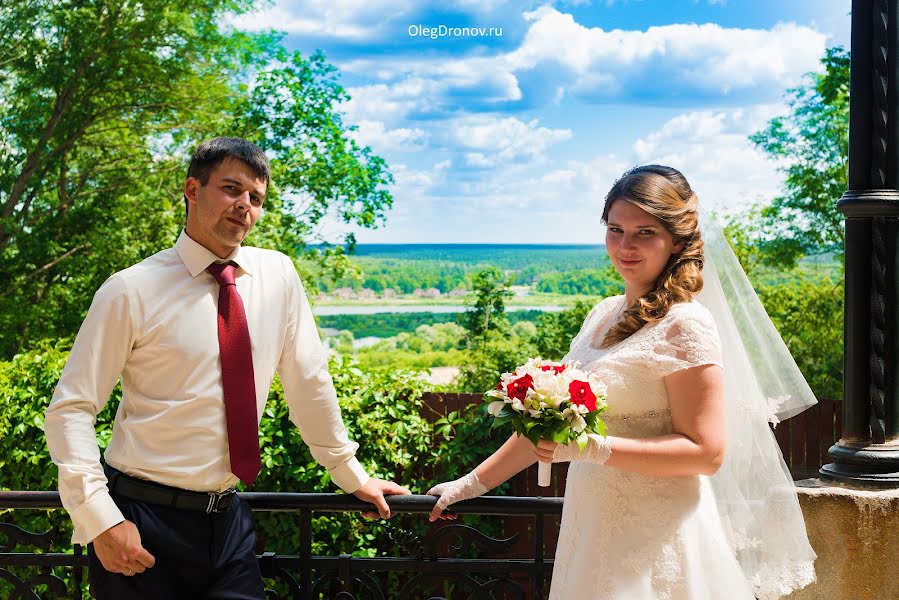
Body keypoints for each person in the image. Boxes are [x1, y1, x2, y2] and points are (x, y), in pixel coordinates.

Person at [427, 165, 817, 599]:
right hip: (591, 523)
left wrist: (594, 449)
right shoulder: (602, 314)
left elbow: (707, 452)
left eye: (644, 232)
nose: (625, 246)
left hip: (657, 533)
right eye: (615, 229)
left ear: (677, 240)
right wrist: (467, 485)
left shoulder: (686, 324)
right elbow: (549, 425)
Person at [44, 137, 409, 599]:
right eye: (231, 189)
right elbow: (71, 409)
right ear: (192, 190)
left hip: (229, 521)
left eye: (256, 198)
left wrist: (350, 475)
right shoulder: (130, 290)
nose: (244, 206)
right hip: (140, 518)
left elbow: (308, 382)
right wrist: (99, 518)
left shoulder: (278, 276)